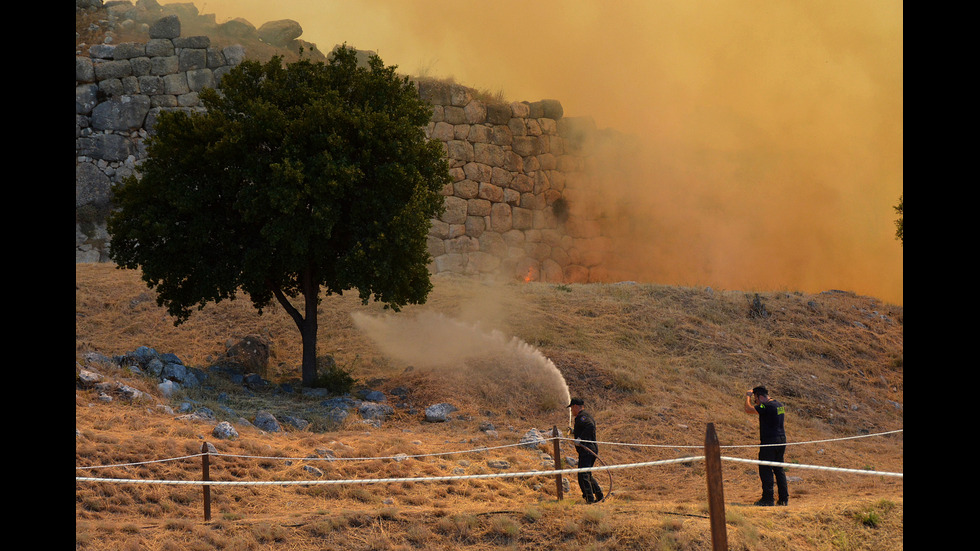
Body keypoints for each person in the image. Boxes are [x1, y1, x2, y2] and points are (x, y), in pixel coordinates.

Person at [743, 386, 789, 506]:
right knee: (779, 469)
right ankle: (784, 499)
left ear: (761, 397)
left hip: (770, 442)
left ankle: (768, 499)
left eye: (756, 400)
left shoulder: (766, 406)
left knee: (765, 469)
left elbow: (748, 409)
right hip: (781, 440)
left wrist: (748, 395)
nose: (756, 403)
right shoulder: (779, 404)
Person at [568, 397, 604, 504]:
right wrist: (575, 432)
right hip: (589, 450)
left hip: (587, 450)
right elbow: (585, 428)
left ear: (575, 407)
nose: (571, 411)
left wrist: (580, 439)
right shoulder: (583, 416)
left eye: (571, 408)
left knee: (583, 475)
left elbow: (590, 426)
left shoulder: (582, 416)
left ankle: (590, 499)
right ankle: (599, 496)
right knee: (586, 474)